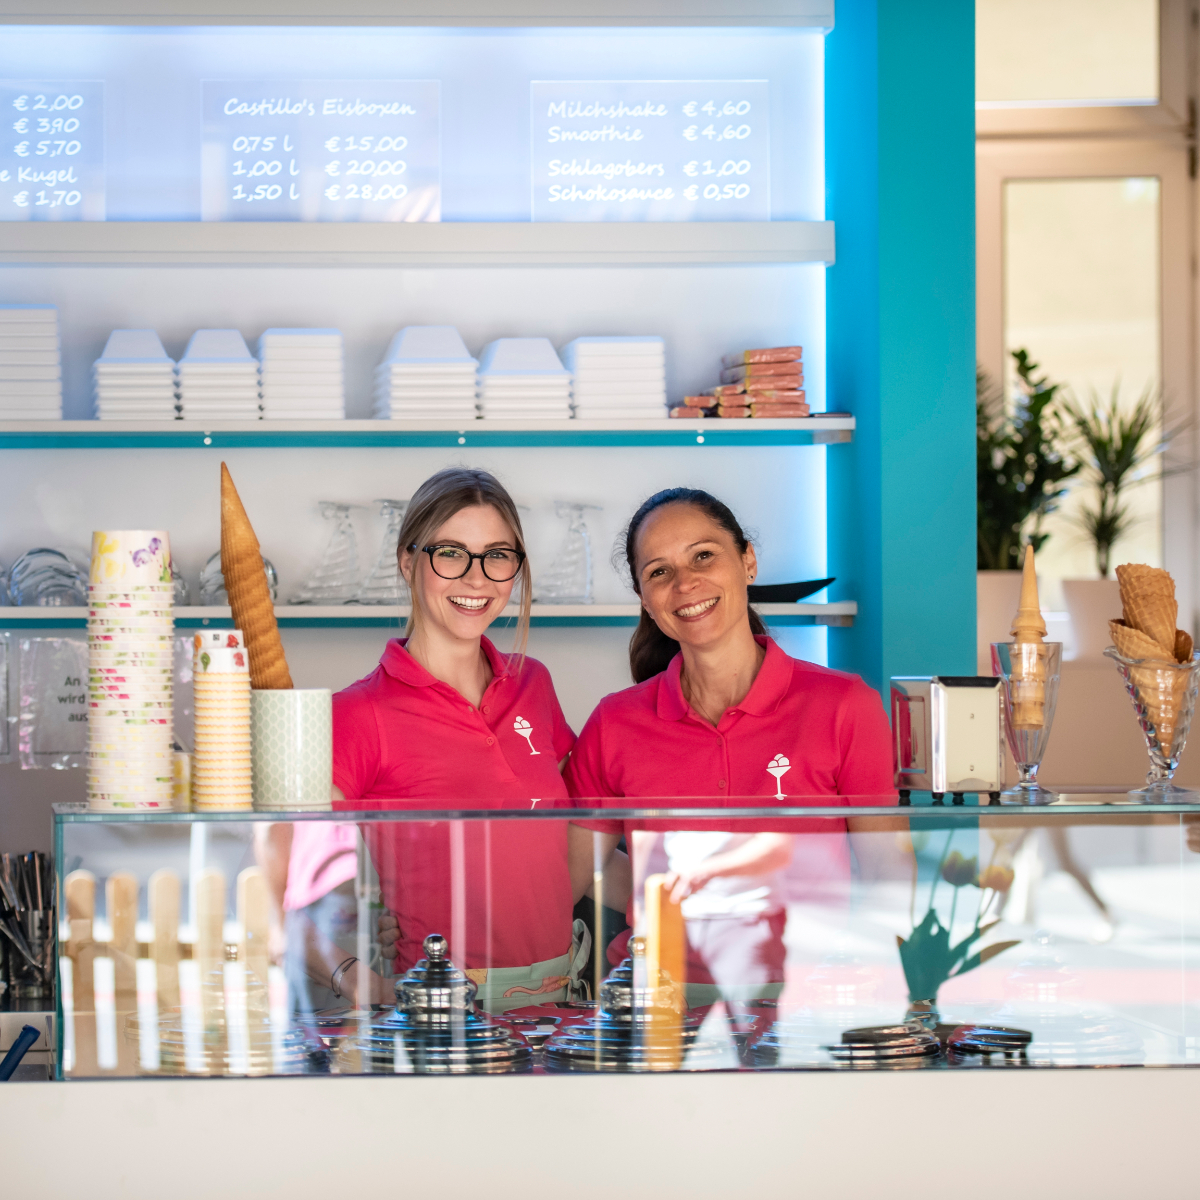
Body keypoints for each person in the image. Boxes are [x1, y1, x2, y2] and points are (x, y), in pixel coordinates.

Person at [565, 487, 900, 1006]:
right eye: (659, 571)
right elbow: (579, 868)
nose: (684, 583)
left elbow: (887, 873)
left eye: (703, 556)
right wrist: (670, 895)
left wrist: (860, 992)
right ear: (645, 599)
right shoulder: (615, 722)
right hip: (655, 1002)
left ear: (748, 561)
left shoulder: (844, 705)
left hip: (806, 1000)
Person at [329, 467, 589, 1012]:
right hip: (441, 1022)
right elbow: (274, 882)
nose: (477, 580)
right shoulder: (358, 713)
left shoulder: (533, 683)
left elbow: (568, 847)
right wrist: (353, 976)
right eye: (451, 553)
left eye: (498, 555)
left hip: (556, 1013)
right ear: (407, 562)